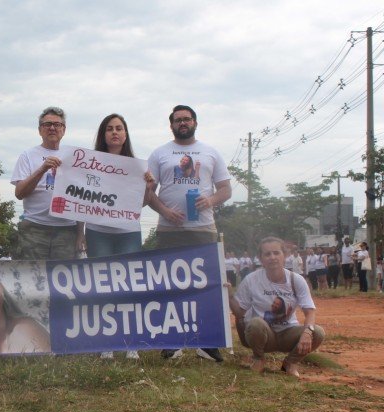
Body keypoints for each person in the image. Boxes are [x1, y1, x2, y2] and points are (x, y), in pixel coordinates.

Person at [146, 105, 232, 362]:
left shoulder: (210, 152)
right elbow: (148, 193)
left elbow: (226, 189)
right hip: (169, 229)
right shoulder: (159, 153)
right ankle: (172, 342)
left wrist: (210, 200)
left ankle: (207, 343)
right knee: (169, 286)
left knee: (206, 286)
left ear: (195, 122)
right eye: (178, 120)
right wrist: (164, 211)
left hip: (203, 228)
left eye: (187, 119)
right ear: (170, 124)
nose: (182, 123)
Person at [85, 113, 154, 360]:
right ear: (103, 135)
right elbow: (81, 198)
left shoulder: (138, 166)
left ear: (125, 134)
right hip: (98, 232)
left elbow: (142, 204)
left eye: (119, 128)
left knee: (129, 286)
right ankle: (106, 343)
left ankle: (130, 342)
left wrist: (149, 187)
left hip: (128, 232)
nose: (115, 132)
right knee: (103, 287)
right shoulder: (89, 163)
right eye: (110, 129)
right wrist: (79, 233)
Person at [229, 236, 325, 378]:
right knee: (255, 323)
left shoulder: (296, 280)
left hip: (288, 333)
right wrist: (229, 296)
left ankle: (290, 363)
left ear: (285, 255)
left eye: (276, 253)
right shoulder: (251, 280)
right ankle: (258, 358)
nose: (272, 257)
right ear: (260, 259)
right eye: (267, 254)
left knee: (317, 332)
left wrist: (307, 333)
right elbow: (239, 313)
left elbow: (310, 311)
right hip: (263, 334)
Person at [11, 106, 84, 260]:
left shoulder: (75, 158)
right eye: (47, 124)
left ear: (64, 130)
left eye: (57, 125)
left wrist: (80, 234)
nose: (52, 128)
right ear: (40, 130)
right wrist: (42, 169)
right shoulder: (27, 156)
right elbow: (19, 193)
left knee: (63, 280)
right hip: (34, 228)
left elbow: (80, 199)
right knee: (32, 278)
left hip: (66, 230)